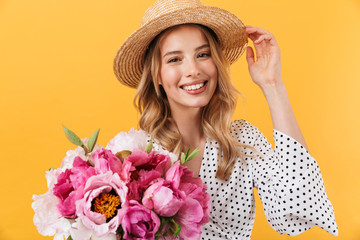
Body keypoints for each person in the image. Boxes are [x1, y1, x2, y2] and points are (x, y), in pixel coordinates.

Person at [113, 0, 338, 239]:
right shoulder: (135, 155)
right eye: (174, 59)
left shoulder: (242, 141)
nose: (193, 70)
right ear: (156, 74)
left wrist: (273, 86)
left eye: (203, 54)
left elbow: (297, 210)